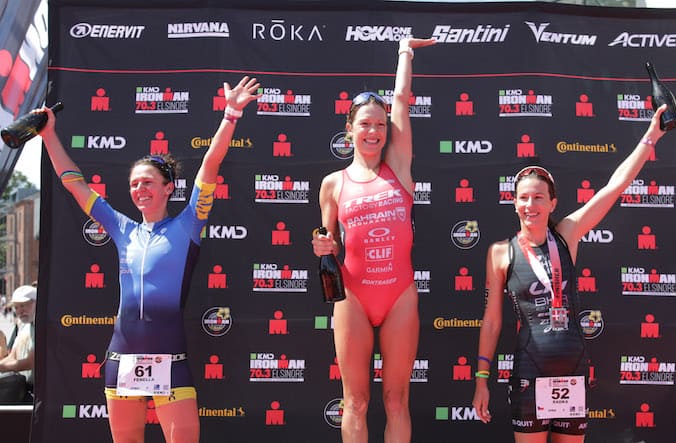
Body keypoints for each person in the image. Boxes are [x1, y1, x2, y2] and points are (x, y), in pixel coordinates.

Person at [37, 76, 261, 443]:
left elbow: (210, 163)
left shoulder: (189, 223)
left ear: (168, 187)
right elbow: (74, 183)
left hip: (170, 360)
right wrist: (48, 136)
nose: (139, 189)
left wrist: (231, 114)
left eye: (148, 182)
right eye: (134, 184)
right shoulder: (121, 227)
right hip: (121, 360)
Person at [471, 104, 669, 443]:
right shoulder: (500, 253)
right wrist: (481, 380)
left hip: (573, 367)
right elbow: (491, 321)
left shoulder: (566, 235)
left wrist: (652, 135)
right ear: (514, 203)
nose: (530, 205)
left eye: (538, 197)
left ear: (552, 203)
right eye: (524, 198)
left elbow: (614, 187)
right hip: (530, 370)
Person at [311, 37, 435, 442]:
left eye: (381, 125)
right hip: (354, 298)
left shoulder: (398, 167)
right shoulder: (332, 184)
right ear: (349, 130)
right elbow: (326, 241)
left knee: (397, 399)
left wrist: (405, 51)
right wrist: (322, 246)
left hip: (399, 294)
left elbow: (401, 98)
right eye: (365, 123)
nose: (374, 131)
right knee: (356, 401)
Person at [0, 285, 37, 403]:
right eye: (16, 307)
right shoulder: (23, 326)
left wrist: (1, 367)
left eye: (23, 305)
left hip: (40, 392)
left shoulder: (45, 328)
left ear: (37, 303)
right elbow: (13, 357)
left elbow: (30, 362)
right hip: (23, 388)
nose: (19, 311)